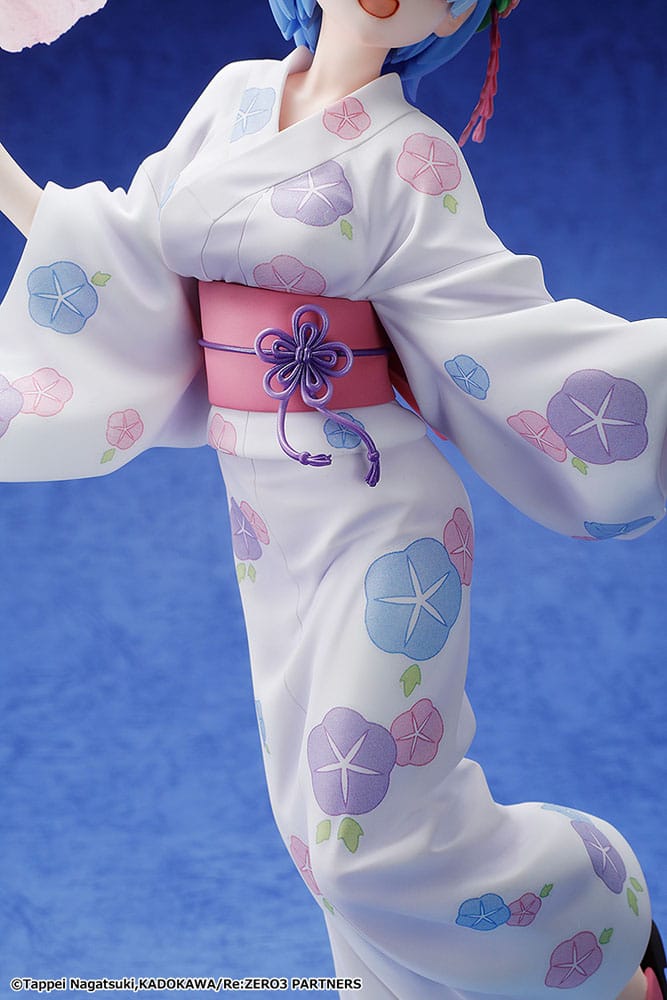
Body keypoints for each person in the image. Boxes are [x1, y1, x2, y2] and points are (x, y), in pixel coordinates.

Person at [0, 1, 665, 996]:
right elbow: (127, 256)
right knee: (318, 843)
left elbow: (496, 331)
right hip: (267, 527)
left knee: (362, 845)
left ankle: (603, 918)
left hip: (382, 521)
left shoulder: (413, 157)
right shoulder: (233, 97)